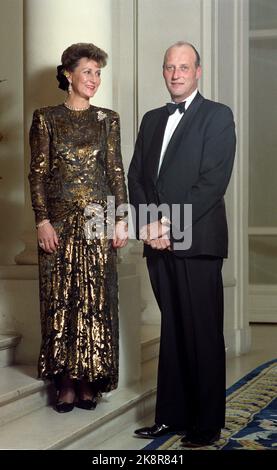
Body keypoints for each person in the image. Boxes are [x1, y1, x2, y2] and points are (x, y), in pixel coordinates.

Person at [128, 41, 236, 447]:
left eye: (183, 67)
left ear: (198, 72)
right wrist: (149, 225)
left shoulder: (218, 116)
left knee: (202, 331)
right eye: (169, 67)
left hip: (198, 241)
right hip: (157, 242)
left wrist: (168, 223)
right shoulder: (151, 119)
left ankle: (205, 423)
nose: (176, 74)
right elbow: (136, 176)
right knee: (172, 328)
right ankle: (170, 416)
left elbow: (211, 182)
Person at [29, 42, 128, 413]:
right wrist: (41, 220)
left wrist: (120, 219)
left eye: (98, 73)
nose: (94, 80)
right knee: (62, 300)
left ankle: (90, 382)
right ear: (68, 74)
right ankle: (65, 383)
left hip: (98, 219)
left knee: (95, 301)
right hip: (58, 220)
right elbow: (36, 174)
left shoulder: (108, 119)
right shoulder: (46, 118)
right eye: (88, 72)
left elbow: (116, 172)